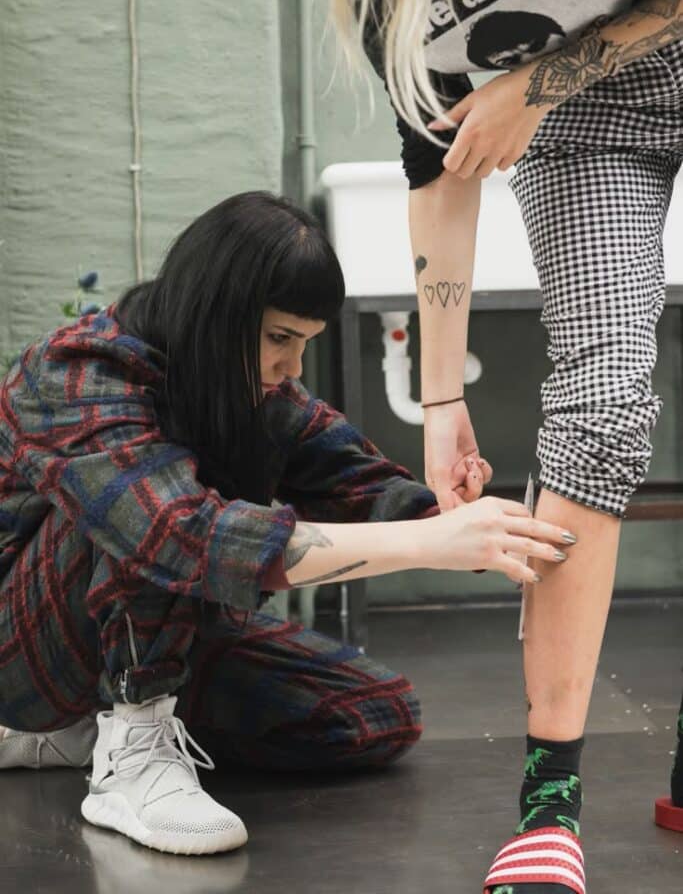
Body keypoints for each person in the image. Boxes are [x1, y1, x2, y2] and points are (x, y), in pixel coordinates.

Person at [177, 0, 683, 887]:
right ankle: (549, 807)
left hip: (567, 94)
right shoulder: (382, 0)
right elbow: (441, 172)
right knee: (596, 411)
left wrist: (532, 82)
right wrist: (441, 401)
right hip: (587, 138)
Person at [0, 192, 572, 856]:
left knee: (370, 716)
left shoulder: (251, 389)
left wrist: (453, 515)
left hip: (148, 621)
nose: (291, 368)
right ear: (216, 313)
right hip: (19, 647)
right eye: (278, 339)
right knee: (153, 518)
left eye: (304, 345)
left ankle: (82, 730)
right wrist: (424, 543)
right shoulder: (77, 375)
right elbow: (181, 535)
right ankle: (131, 747)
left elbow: (355, 481)